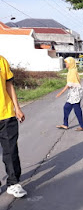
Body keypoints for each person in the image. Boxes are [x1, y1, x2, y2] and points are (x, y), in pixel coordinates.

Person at [0, 55, 28, 198]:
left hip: (6, 114)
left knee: (10, 151)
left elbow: (9, 86)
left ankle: (13, 183)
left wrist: (17, 108)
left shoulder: (1, 60)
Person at [56, 57, 83, 131]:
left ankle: (82, 126)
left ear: (70, 63)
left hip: (75, 92)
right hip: (73, 92)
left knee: (77, 110)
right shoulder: (71, 71)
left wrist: (61, 92)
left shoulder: (72, 71)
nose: (65, 64)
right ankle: (65, 124)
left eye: (66, 62)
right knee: (67, 108)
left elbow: (69, 84)